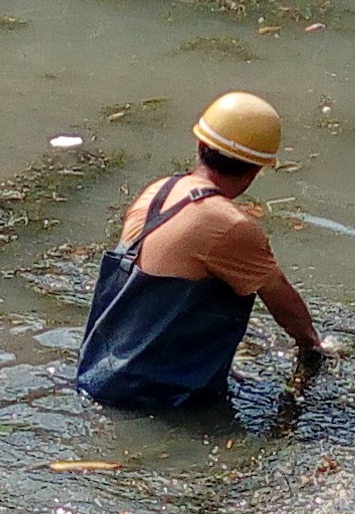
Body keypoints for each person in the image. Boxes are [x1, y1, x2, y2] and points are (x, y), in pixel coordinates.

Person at [76, 90, 328, 412]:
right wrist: (314, 348)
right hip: (157, 398)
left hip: (99, 374)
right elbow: (285, 305)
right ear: (254, 171)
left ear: (200, 146)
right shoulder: (230, 225)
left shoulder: (157, 191)